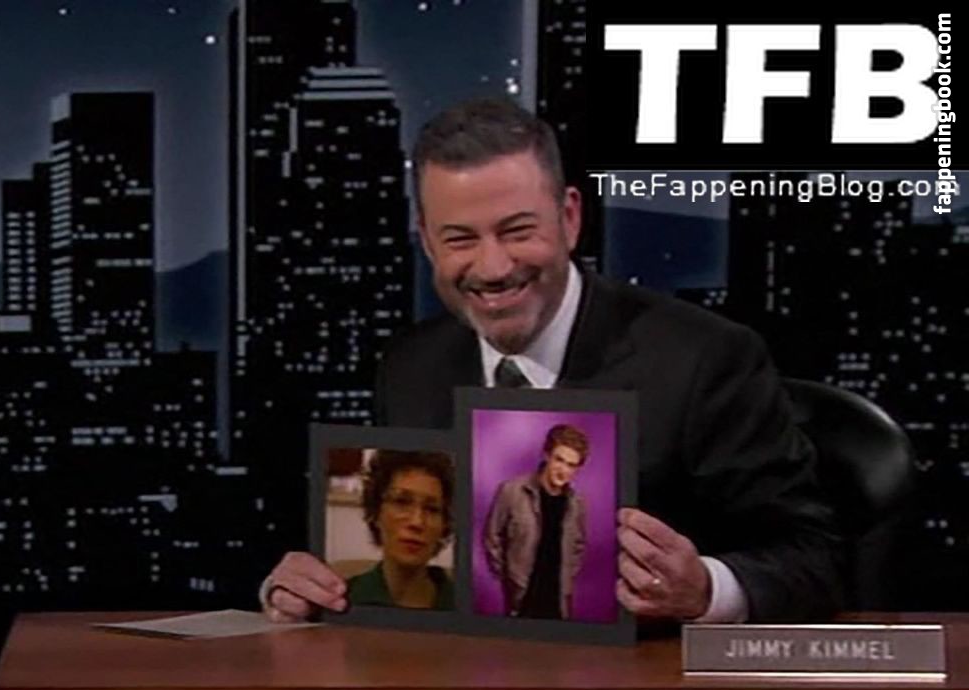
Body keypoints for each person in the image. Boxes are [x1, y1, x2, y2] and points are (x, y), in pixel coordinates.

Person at [262, 98, 841, 626]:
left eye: (517, 231)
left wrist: (705, 591)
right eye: (460, 239)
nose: (493, 268)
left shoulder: (703, 359)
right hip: (460, 689)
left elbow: (815, 557)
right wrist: (311, 591)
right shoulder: (410, 367)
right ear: (427, 241)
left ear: (569, 218)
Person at [482, 424, 589, 618]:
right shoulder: (512, 491)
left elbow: (578, 546)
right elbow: (492, 537)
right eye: (559, 459)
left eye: (571, 465)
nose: (563, 470)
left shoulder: (577, 504)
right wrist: (509, 578)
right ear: (546, 455)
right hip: (522, 597)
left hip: (558, 602)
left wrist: (566, 577)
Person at [343, 450, 457, 610]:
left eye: (432, 509)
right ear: (376, 513)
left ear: (444, 524)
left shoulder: (465, 604)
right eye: (401, 502)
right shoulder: (340, 600)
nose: (417, 522)